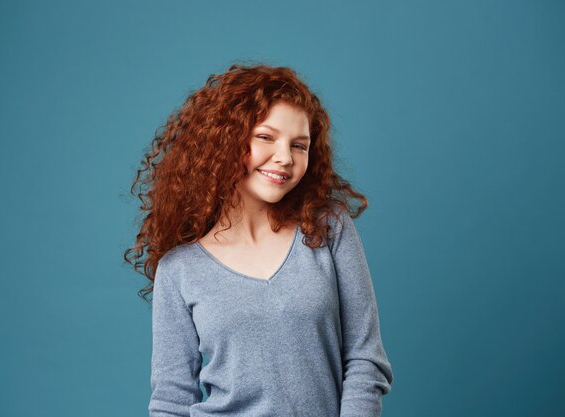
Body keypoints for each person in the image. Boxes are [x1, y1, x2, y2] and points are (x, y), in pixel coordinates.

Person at [124, 63, 394, 417]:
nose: (284, 158)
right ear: (226, 140)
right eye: (265, 137)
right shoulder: (179, 271)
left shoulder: (328, 229)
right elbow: (172, 400)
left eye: (300, 145)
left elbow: (364, 360)